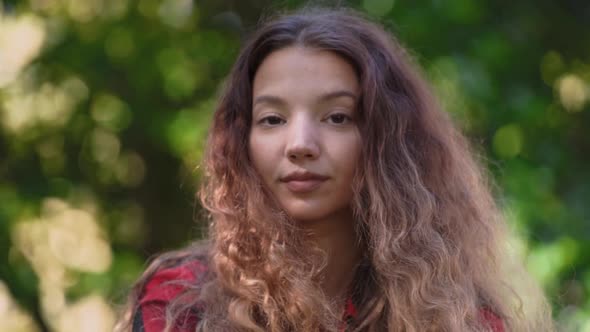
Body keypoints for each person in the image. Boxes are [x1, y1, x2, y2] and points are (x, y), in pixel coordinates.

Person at [116, 7, 554, 332]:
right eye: (272, 119)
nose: (301, 144)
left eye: (337, 117)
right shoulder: (177, 306)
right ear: (241, 142)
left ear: (387, 143)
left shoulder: (460, 319)